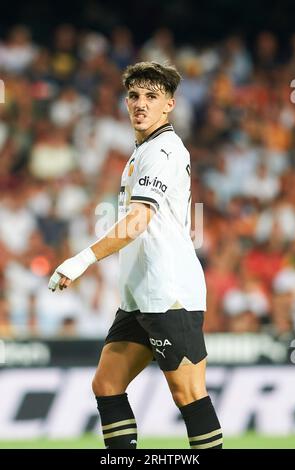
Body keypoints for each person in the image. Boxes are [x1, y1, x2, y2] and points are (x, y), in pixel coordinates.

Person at [48, 61, 223, 450]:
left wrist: (82, 260)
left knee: (189, 394)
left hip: (169, 291)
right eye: (134, 96)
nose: (140, 104)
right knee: (107, 384)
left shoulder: (163, 150)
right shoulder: (141, 151)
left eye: (151, 96)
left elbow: (139, 219)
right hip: (140, 294)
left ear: (170, 105)